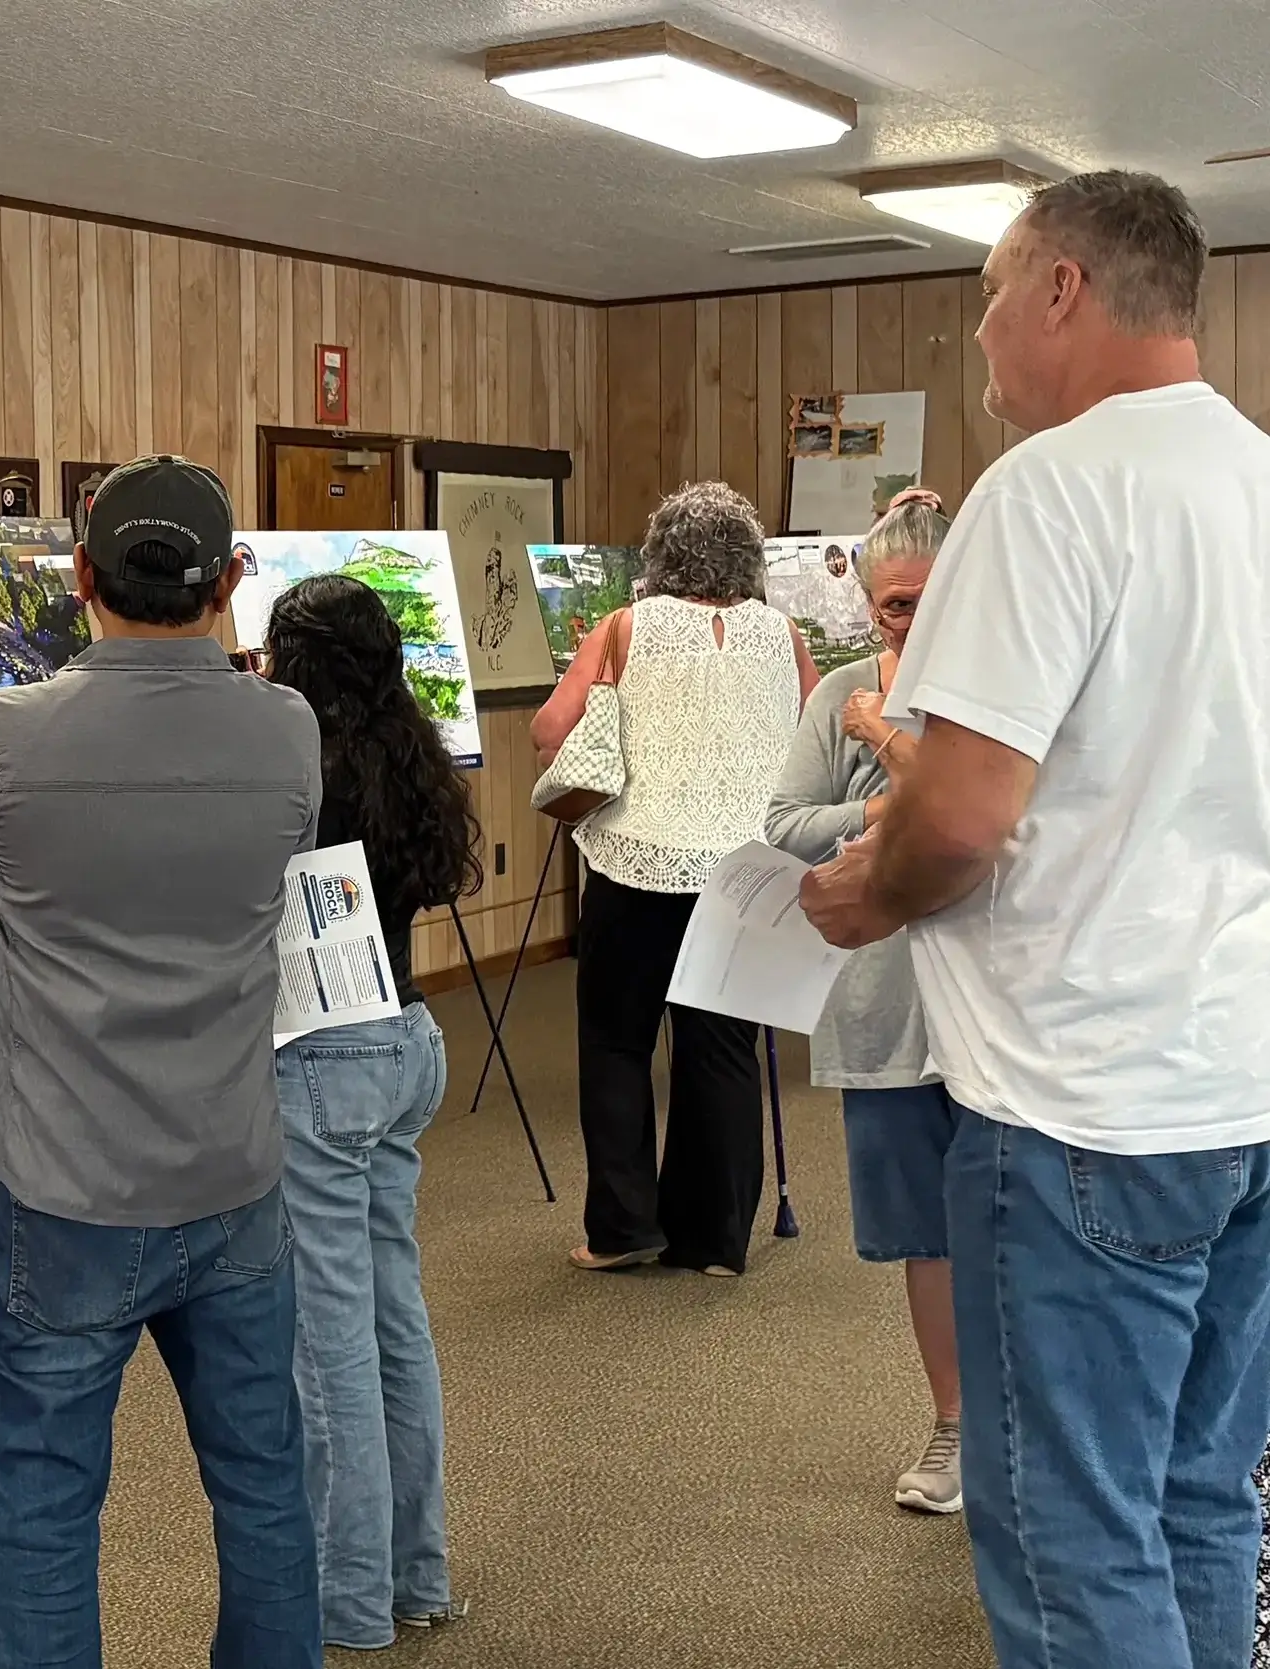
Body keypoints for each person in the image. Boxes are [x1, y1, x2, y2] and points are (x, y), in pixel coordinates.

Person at [801, 170, 1270, 1669]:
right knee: (1199, 1497)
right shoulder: (1256, 479)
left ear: (1063, 288)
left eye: (993, 293)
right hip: (1245, 1083)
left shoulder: (1049, 487)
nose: (982, 334)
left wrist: (863, 892)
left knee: (1073, 1536)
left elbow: (959, 812)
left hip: (1085, 1101)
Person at [0, 454, 327, 1668]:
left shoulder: (4, 735)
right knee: (264, 1490)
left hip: (63, 1190)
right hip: (235, 1176)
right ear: (231, 581)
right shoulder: (288, 729)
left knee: (46, 1509)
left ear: (81, 578)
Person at [261, 574, 484, 1649]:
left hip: (323, 1060)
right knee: (397, 1323)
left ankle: (347, 1600)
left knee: (329, 1346)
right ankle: (415, 1573)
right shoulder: (408, 756)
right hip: (406, 1041)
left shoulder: (298, 769)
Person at [533, 481, 815, 1277]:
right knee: (721, 1048)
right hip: (745, 869)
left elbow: (551, 729)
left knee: (617, 1042)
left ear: (659, 554)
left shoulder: (626, 627)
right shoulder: (783, 633)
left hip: (634, 862)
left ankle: (623, 1226)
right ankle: (715, 1239)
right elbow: (812, 734)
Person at [762, 488, 962, 1514]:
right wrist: (879, 805)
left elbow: (1003, 816)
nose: (912, 623)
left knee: (1026, 1228)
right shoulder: (839, 691)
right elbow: (784, 823)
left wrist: (886, 741)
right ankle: (954, 1427)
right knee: (925, 1234)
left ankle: (1031, 1432)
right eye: (894, 606)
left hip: (997, 1011)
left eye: (932, 599)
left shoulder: (999, 682)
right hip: (883, 1004)